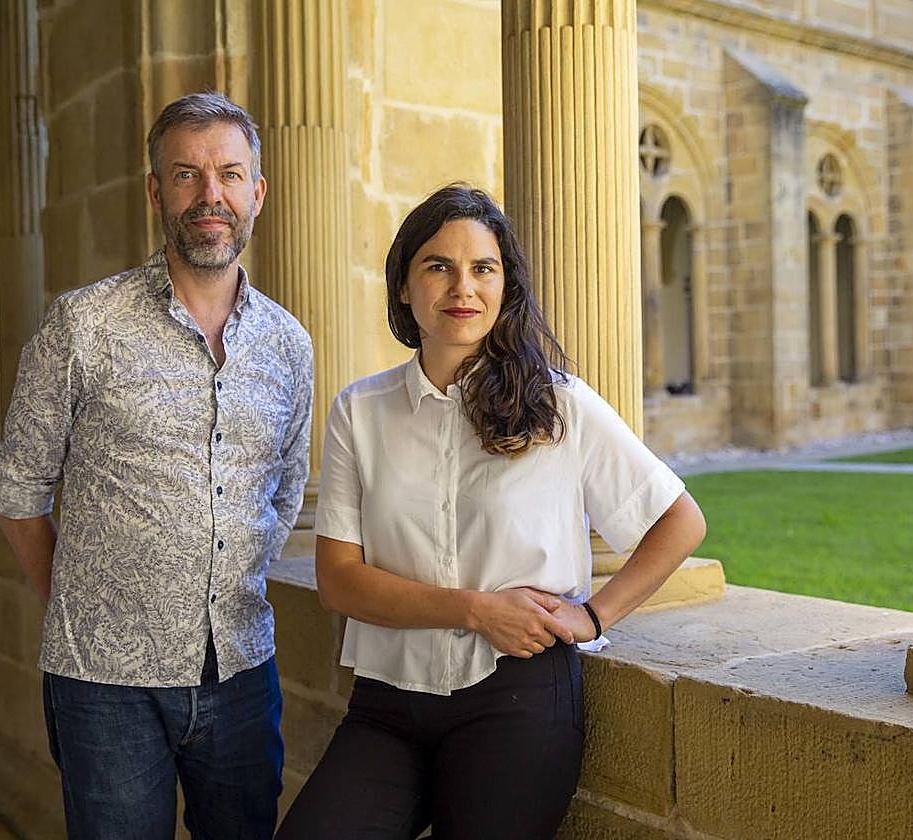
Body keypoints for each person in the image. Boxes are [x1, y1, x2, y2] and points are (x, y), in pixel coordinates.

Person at [276, 185, 706, 840]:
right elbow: (339, 581)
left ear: (506, 285)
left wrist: (592, 616)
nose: (463, 288)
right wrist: (477, 610)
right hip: (389, 702)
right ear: (404, 285)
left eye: (483, 268)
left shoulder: (559, 406)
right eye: (438, 266)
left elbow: (680, 521)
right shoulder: (360, 411)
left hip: (519, 701)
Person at [0, 92, 313, 840]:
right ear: (156, 192)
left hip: (241, 672)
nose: (210, 195)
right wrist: (80, 602)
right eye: (186, 174)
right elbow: (17, 489)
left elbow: (286, 489)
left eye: (229, 174)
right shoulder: (83, 325)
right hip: (106, 685)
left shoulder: (289, 344)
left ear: (257, 194)